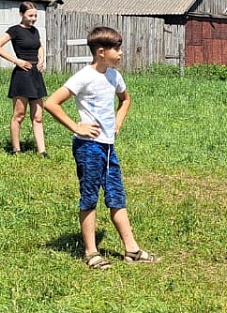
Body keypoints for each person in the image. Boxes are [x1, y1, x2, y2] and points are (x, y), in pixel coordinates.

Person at [44, 26, 157, 269]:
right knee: (90, 198)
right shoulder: (84, 76)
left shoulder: (114, 76)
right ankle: (91, 252)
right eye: (117, 49)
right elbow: (51, 103)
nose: (121, 53)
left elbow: (125, 99)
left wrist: (118, 121)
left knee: (117, 195)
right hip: (89, 148)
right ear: (101, 52)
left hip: (107, 148)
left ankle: (132, 250)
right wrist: (76, 127)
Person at [0, 2, 49, 156]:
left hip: (36, 74)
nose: (33, 19)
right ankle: (16, 150)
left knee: (38, 116)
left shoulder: (35, 31)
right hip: (22, 76)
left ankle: (42, 151)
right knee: (19, 115)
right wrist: (17, 61)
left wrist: (41, 58)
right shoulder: (14, 30)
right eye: (30, 16)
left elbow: (39, 46)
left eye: (35, 16)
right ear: (21, 14)